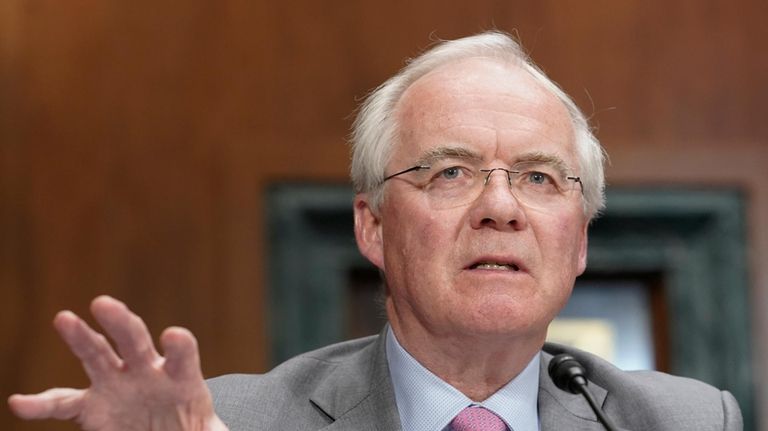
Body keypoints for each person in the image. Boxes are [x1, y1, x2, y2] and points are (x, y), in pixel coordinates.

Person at [8, 31, 742, 431]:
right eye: (450, 172)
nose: (501, 207)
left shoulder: (681, 420)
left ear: (578, 241)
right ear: (373, 225)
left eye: (540, 177)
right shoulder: (230, 423)